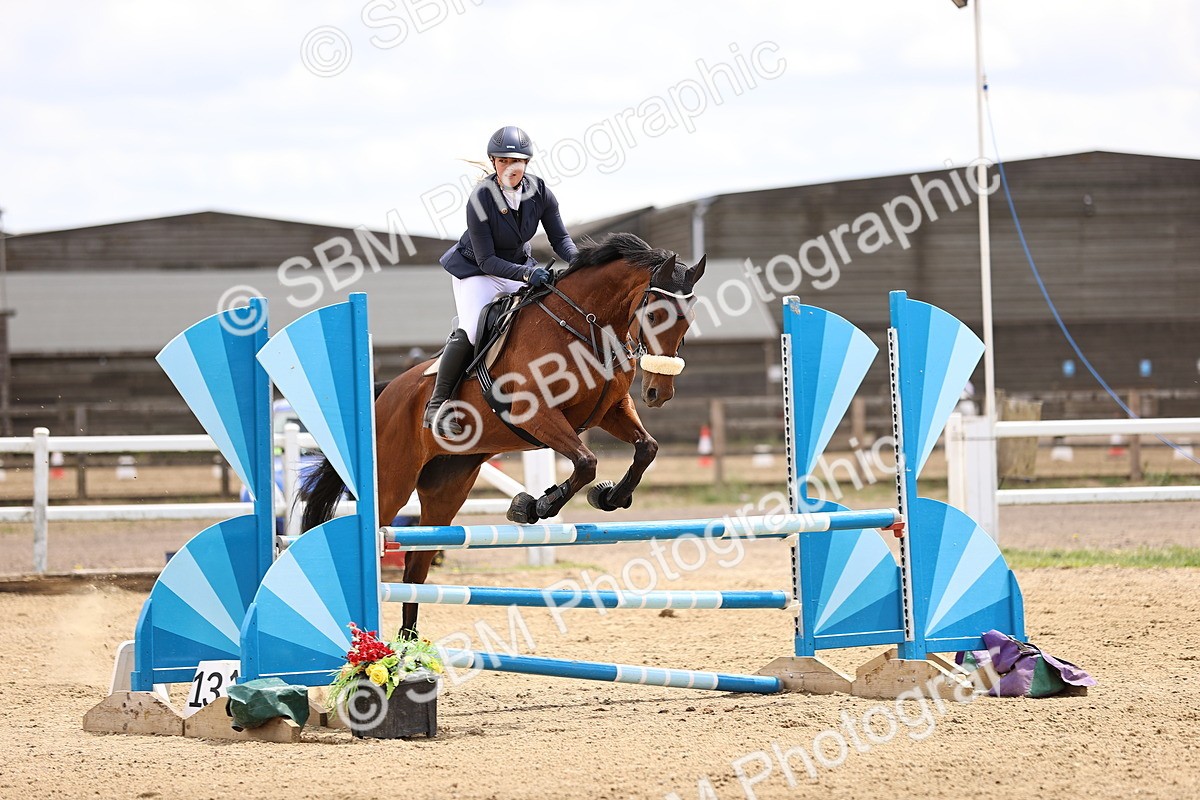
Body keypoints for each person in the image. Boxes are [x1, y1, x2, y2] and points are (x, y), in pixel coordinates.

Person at [425, 125, 580, 438]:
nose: (510, 167)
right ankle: (437, 405)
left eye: (517, 161)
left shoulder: (540, 192)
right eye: (503, 161)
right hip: (477, 272)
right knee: (472, 329)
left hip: (517, 267)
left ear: (527, 163)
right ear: (493, 163)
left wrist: (580, 261)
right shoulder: (481, 198)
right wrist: (526, 274)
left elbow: (560, 238)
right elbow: (487, 261)